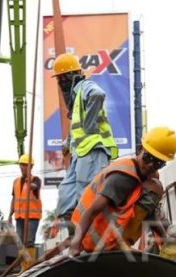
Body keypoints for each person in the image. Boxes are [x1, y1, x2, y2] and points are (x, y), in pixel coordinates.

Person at [70, 127, 176, 256]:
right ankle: (118, 244)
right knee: (155, 187)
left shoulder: (149, 178)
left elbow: (149, 215)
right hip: (94, 239)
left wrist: (165, 238)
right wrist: (75, 246)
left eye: (158, 163)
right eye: (148, 158)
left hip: (106, 237)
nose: (151, 165)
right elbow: (92, 211)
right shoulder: (123, 177)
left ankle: (119, 243)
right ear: (139, 150)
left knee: (156, 186)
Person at [52, 53, 118, 222]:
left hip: (93, 150)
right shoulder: (76, 97)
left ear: (67, 77)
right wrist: (68, 143)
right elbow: (77, 127)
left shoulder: (85, 86)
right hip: (80, 152)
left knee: (88, 192)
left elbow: (98, 94)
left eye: (60, 79)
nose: (59, 84)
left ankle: (93, 229)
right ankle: (72, 223)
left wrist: (89, 124)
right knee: (66, 191)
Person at [8, 154, 42, 246]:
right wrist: (10, 215)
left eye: (25, 165)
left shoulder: (35, 179)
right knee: (19, 243)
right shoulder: (16, 181)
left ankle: (29, 260)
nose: (23, 167)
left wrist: (29, 183)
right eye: (21, 164)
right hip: (19, 217)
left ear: (31, 166)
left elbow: (34, 187)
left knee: (29, 242)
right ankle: (21, 260)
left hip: (32, 217)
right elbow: (14, 198)